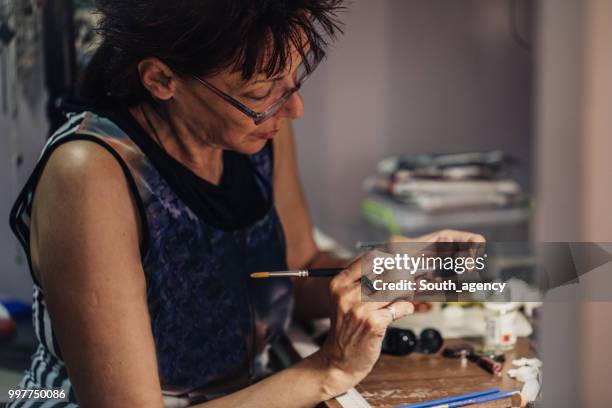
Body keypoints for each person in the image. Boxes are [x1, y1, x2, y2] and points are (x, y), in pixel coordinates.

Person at [9, 1, 483, 407]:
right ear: (160, 79)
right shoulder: (92, 174)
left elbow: (296, 271)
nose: (292, 109)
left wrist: (383, 277)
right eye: (260, 93)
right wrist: (330, 370)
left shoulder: (256, 132)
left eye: (293, 80)